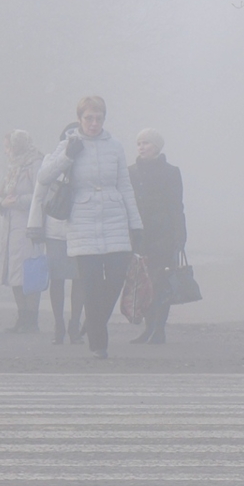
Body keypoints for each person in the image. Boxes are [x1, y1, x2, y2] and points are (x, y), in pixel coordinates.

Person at [37, 96, 143, 358]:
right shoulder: (68, 144)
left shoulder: (115, 146)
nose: (94, 123)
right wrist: (67, 157)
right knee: (92, 285)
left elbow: (125, 185)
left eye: (99, 118)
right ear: (80, 119)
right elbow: (44, 176)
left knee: (116, 279)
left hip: (114, 220)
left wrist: (136, 224)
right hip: (82, 223)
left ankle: (93, 322)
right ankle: (99, 344)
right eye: (89, 118)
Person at [128, 128, 187, 344]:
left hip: (164, 234)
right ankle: (148, 328)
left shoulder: (171, 172)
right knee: (143, 282)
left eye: (146, 143)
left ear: (157, 147)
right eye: (139, 143)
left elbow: (176, 205)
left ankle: (159, 329)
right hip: (139, 235)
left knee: (161, 282)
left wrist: (180, 234)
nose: (141, 147)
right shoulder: (131, 172)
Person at [28, 123, 83, 344]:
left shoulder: (90, 161)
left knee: (80, 279)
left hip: (82, 229)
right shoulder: (53, 159)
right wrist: (35, 227)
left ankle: (74, 324)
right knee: (57, 279)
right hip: (56, 229)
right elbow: (39, 192)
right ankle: (59, 324)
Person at [0, 130, 44, 333]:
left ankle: (32, 319)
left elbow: (40, 194)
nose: (6, 151)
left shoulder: (35, 163)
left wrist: (16, 201)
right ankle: (22, 317)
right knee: (14, 272)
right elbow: (2, 194)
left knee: (30, 271)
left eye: (9, 146)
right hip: (11, 226)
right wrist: (2, 203)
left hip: (29, 225)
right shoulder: (13, 166)